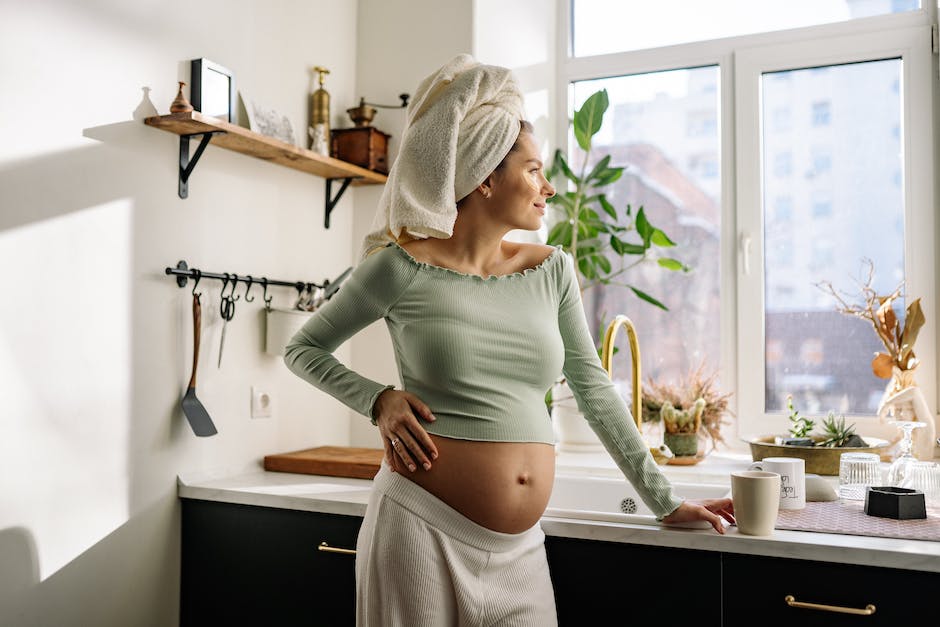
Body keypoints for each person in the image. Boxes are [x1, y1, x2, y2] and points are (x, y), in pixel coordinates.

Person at [285, 54, 734, 626]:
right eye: (534, 171)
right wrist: (378, 399)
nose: (548, 187)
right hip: (419, 528)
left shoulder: (552, 270)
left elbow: (593, 387)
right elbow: (303, 349)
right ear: (484, 178)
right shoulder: (399, 269)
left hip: (521, 552)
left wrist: (664, 499)